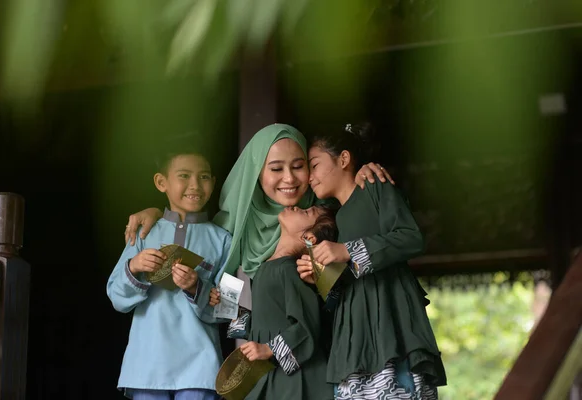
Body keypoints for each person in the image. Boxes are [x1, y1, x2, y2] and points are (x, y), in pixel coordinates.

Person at [124, 123, 394, 281]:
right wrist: (157, 212)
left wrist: (358, 173)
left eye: (299, 166)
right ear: (256, 173)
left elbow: (339, 289)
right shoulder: (228, 229)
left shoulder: (326, 216)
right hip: (253, 358)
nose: (289, 178)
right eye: (276, 169)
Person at [297, 122, 446, 399]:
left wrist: (348, 251)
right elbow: (343, 284)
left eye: (313, 165)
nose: (309, 177)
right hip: (354, 336)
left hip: (390, 320)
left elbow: (411, 237)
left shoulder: (374, 185)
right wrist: (319, 277)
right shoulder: (336, 219)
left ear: (344, 159)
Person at [107, 145, 231, 400]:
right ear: (161, 182)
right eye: (184, 175)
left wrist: (196, 287)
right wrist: (134, 267)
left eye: (204, 176)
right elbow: (115, 297)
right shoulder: (143, 233)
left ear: (214, 182)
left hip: (201, 367)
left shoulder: (224, 240)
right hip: (147, 365)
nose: (195, 185)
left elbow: (229, 310)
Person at [214, 205, 339, 399]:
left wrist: (268, 348)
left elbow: (308, 324)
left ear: (309, 237)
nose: (297, 207)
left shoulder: (289, 271)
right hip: (272, 373)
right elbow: (264, 320)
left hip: (294, 380)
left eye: (306, 212)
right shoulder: (267, 267)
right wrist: (225, 305)